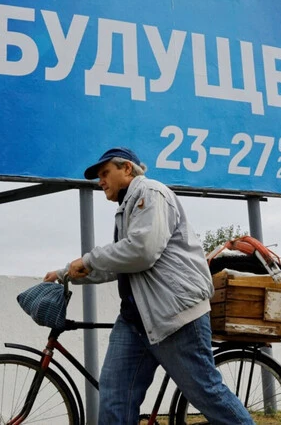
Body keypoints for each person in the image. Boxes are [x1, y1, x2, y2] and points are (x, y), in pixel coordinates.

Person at [44, 147, 254, 424]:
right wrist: (65, 274)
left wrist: (88, 259)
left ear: (127, 168)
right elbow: (120, 264)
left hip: (174, 317)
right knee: (114, 399)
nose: (100, 181)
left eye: (105, 173)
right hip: (136, 320)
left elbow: (142, 251)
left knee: (207, 392)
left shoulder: (151, 193)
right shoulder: (126, 209)